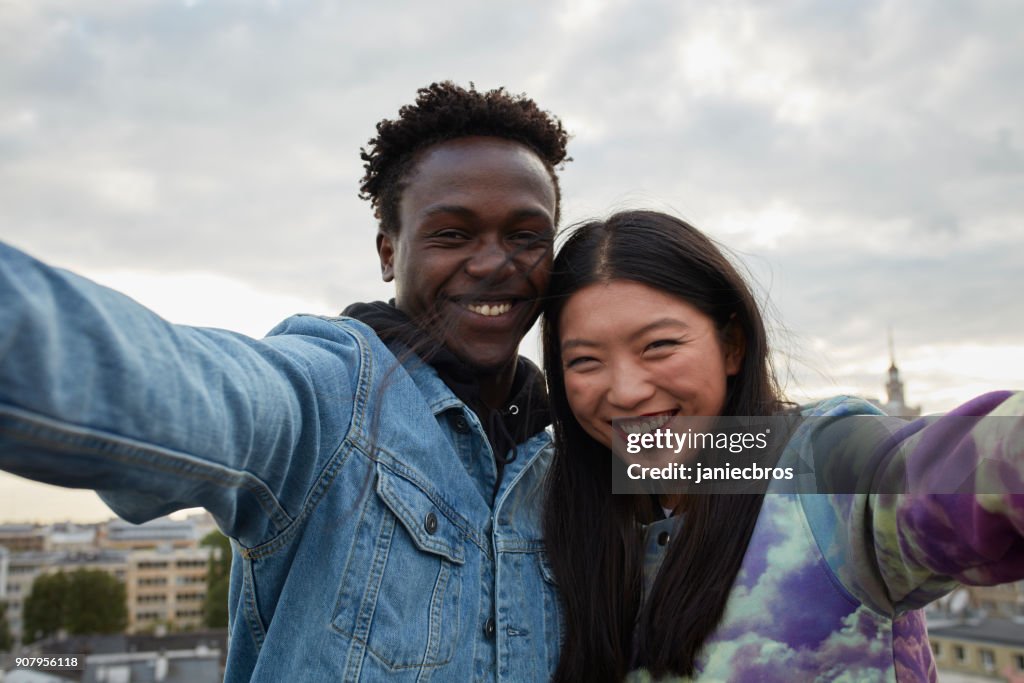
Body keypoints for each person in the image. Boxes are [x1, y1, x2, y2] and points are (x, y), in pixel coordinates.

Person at [0, 82, 569, 682]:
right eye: (452, 234)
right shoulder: (331, 397)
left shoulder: (573, 450)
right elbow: (175, 385)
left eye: (526, 237)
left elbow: (676, 473)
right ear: (387, 252)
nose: (491, 263)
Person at [540, 210, 1024, 682]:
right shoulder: (568, 517)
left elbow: (971, 463)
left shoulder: (819, 469)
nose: (625, 391)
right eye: (585, 361)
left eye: (659, 346)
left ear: (732, 345)